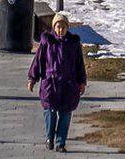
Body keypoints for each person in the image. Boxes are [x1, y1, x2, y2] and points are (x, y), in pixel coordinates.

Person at [28, 12, 87, 152]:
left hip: (68, 84)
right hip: (50, 84)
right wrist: (32, 78)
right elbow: (38, 61)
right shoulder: (47, 41)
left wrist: (82, 81)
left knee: (66, 113)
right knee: (50, 110)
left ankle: (61, 142)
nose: (60, 30)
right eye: (58, 27)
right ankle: (50, 138)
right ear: (54, 27)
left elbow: (79, 64)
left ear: (67, 28)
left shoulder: (73, 43)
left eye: (63, 27)